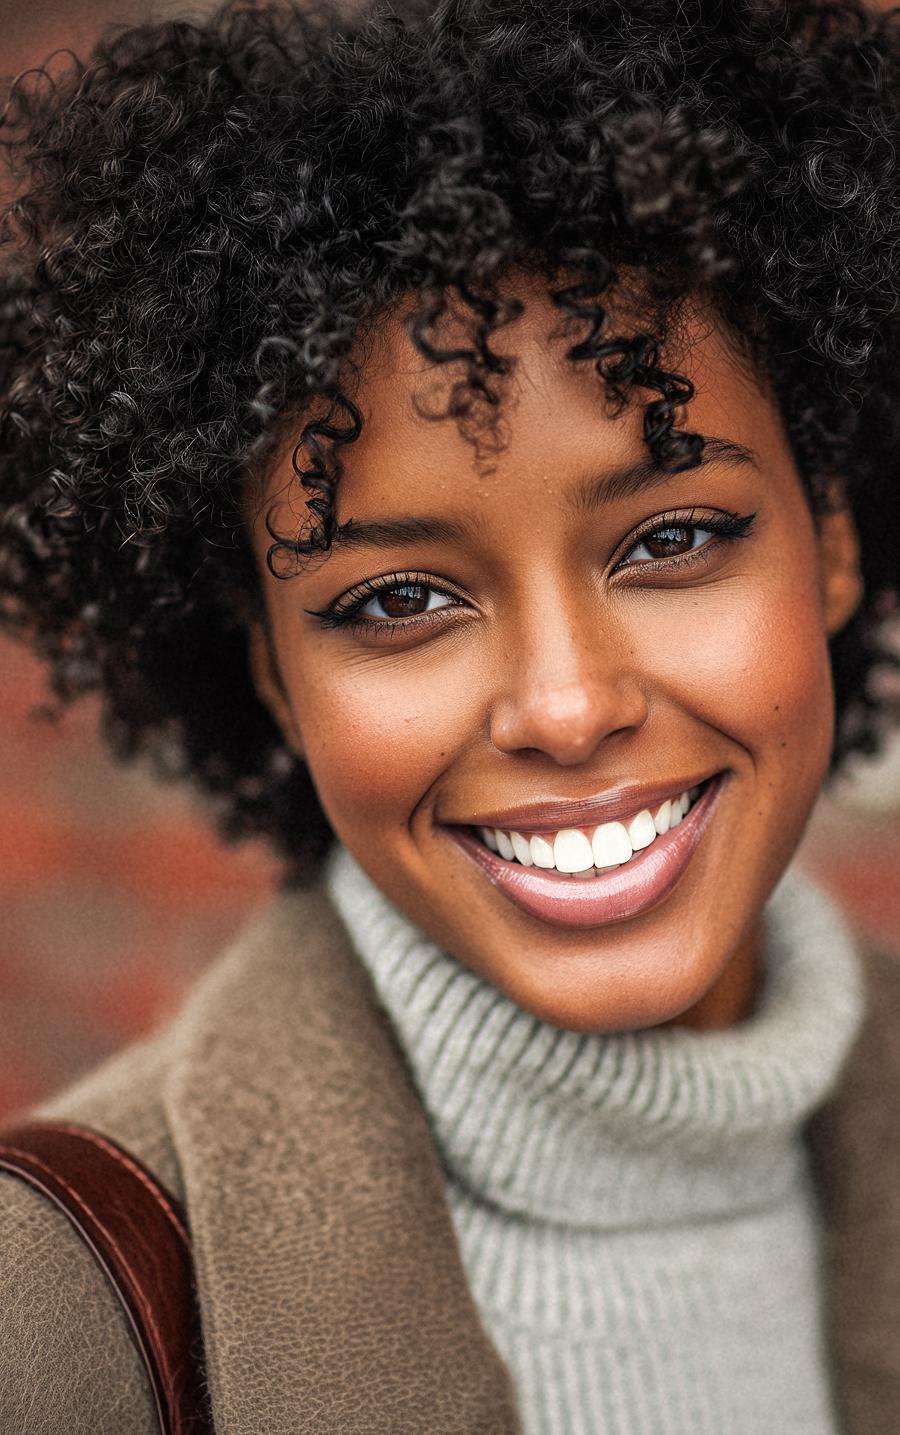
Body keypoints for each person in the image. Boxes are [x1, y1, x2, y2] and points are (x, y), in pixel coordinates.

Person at [1, 0, 899, 1430]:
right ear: (272, 676)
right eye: (395, 602)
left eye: (669, 540)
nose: (566, 704)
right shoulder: (58, 1311)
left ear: (835, 538)